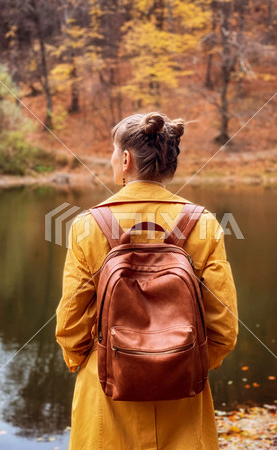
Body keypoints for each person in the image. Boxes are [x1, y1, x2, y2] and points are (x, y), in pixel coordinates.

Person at [55, 111, 238, 449]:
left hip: (106, 393)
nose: (112, 159)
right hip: (183, 394)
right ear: (169, 163)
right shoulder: (205, 224)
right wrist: (179, 363)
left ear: (125, 159)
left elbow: (70, 327)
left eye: (113, 152)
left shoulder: (87, 225)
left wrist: (97, 361)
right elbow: (224, 329)